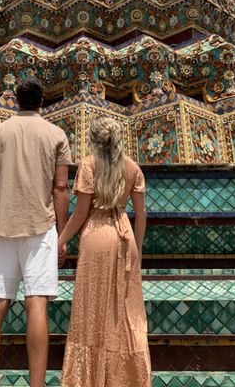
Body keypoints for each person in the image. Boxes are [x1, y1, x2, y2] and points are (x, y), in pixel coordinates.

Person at [0, 76, 72, 387]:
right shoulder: (56, 134)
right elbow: (61, 188)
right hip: (41, 228)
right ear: (41, 101)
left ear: (15, 100)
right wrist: (61, 234)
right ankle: (37, 385)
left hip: (5, 227)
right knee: (37, 305)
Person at [58, 116, 151, 387]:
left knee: (92, 312)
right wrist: (139, 249)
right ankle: (126, 378)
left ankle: (88, 379)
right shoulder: (132, 168)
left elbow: (81, 213)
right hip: (124, 236)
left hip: (96, 237)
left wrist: (61, 240)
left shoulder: (89, 165)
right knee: (124, 312)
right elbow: (142, 214)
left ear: (93, 140)